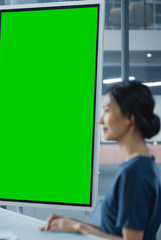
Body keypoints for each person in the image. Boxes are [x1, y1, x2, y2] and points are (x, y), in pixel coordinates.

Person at [40, 81, 161, 240]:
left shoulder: (134, 173)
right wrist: (71, 223)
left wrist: (80, 227)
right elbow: (116, 232)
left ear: (130, 117)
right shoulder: (145, 165)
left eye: (107, 110)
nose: (100, 120)